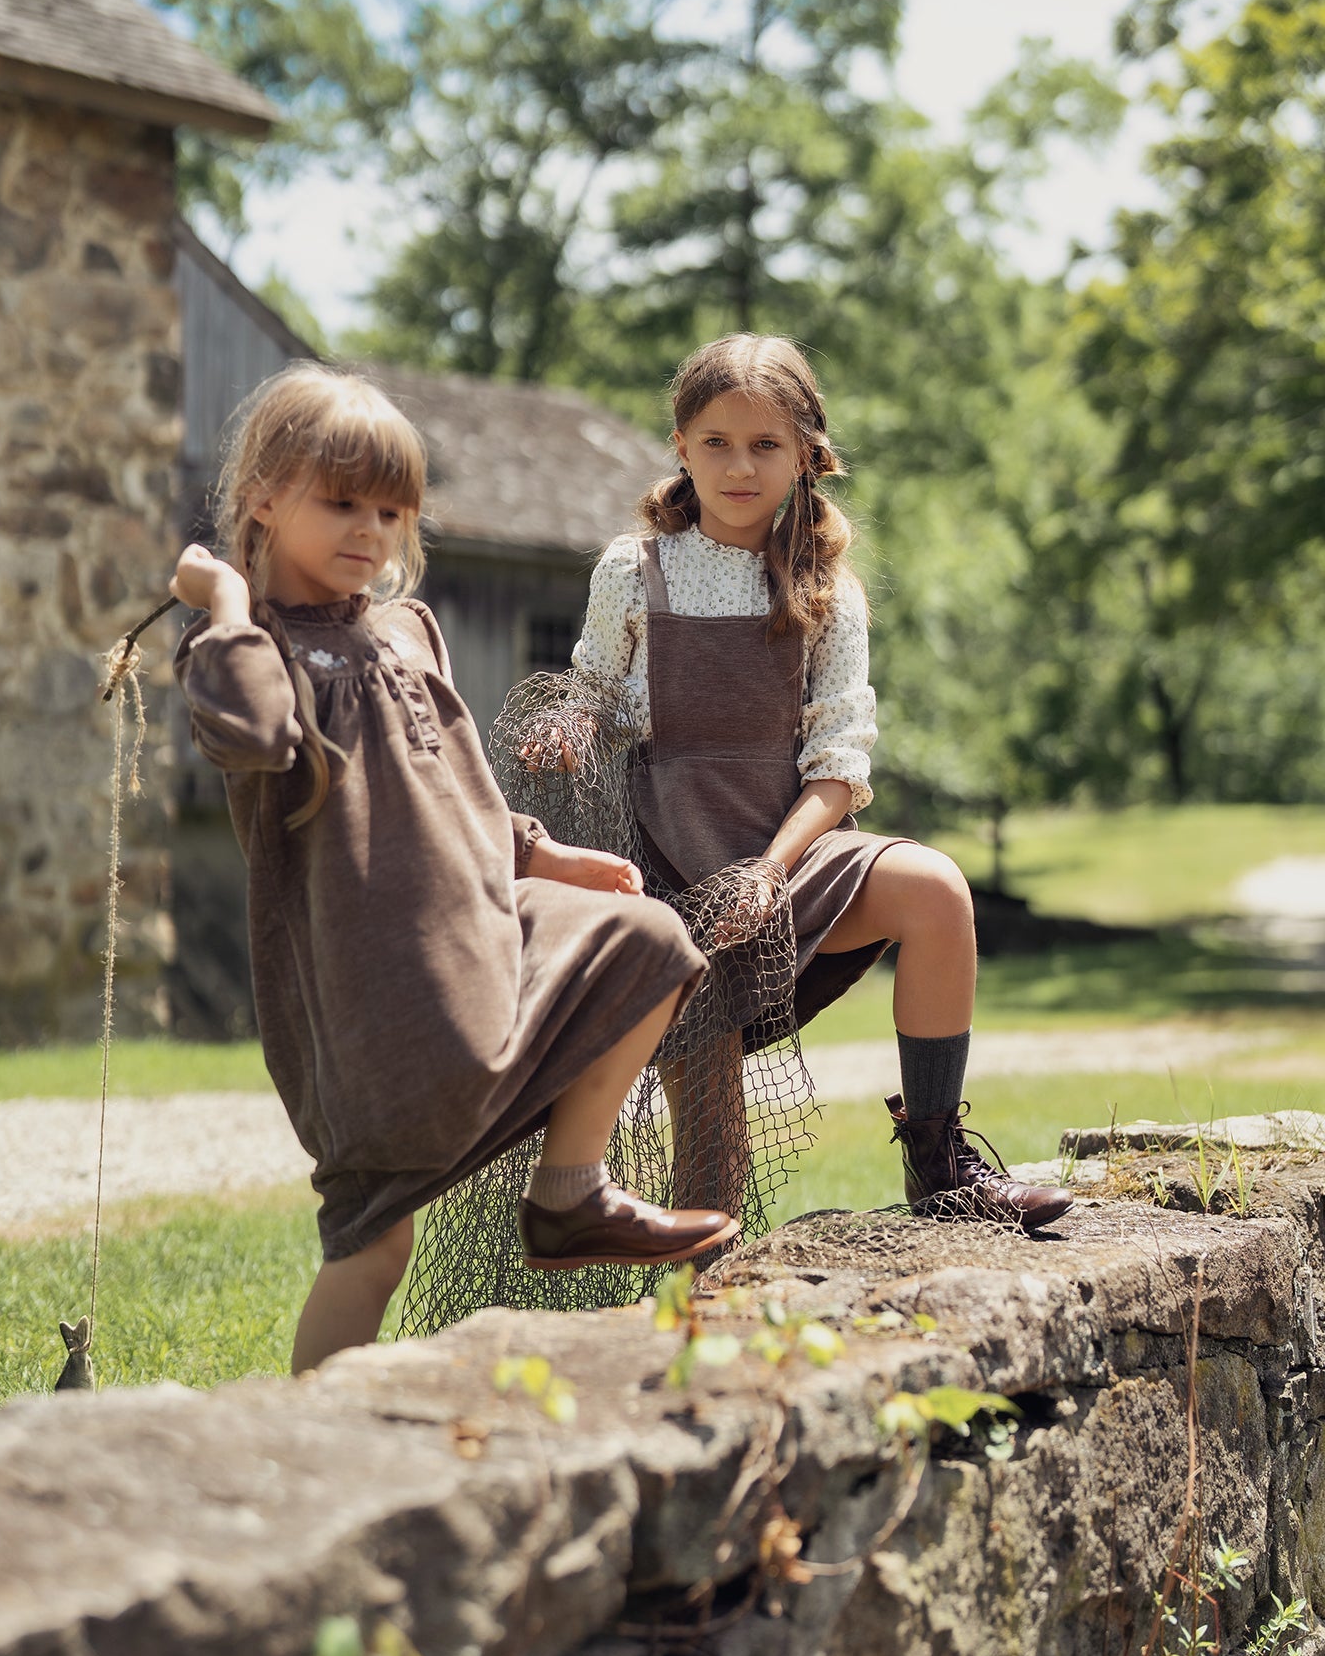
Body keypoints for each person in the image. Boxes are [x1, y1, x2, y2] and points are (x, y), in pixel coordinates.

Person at [171, 362, 728, 1372]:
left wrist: (542, 854)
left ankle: (568, 1196)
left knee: (651, 941)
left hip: (484, 936)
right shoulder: (250, 651)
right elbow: (253, 734)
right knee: (377, 1246)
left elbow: (457, 786)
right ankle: (303, 1435)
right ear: (263, 496)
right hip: (376, 999)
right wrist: (224, 598)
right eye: (341, 503)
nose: (369, 532)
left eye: (391, 512)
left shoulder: (405, 628)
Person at [562, 332, 1071, 1233]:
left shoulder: (827, 588)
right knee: (712, 1169)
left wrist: (768, 871)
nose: (740, 466)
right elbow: (594, 691)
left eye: (765, 445)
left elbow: (838, 768)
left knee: (936, 890)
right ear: (681, 446)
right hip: (673, 882)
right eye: (716, 442)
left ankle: (939, 1162)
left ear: (805, 455)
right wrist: (569, 723)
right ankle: (695, 1336)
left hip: (788, 856)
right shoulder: (630, 571)